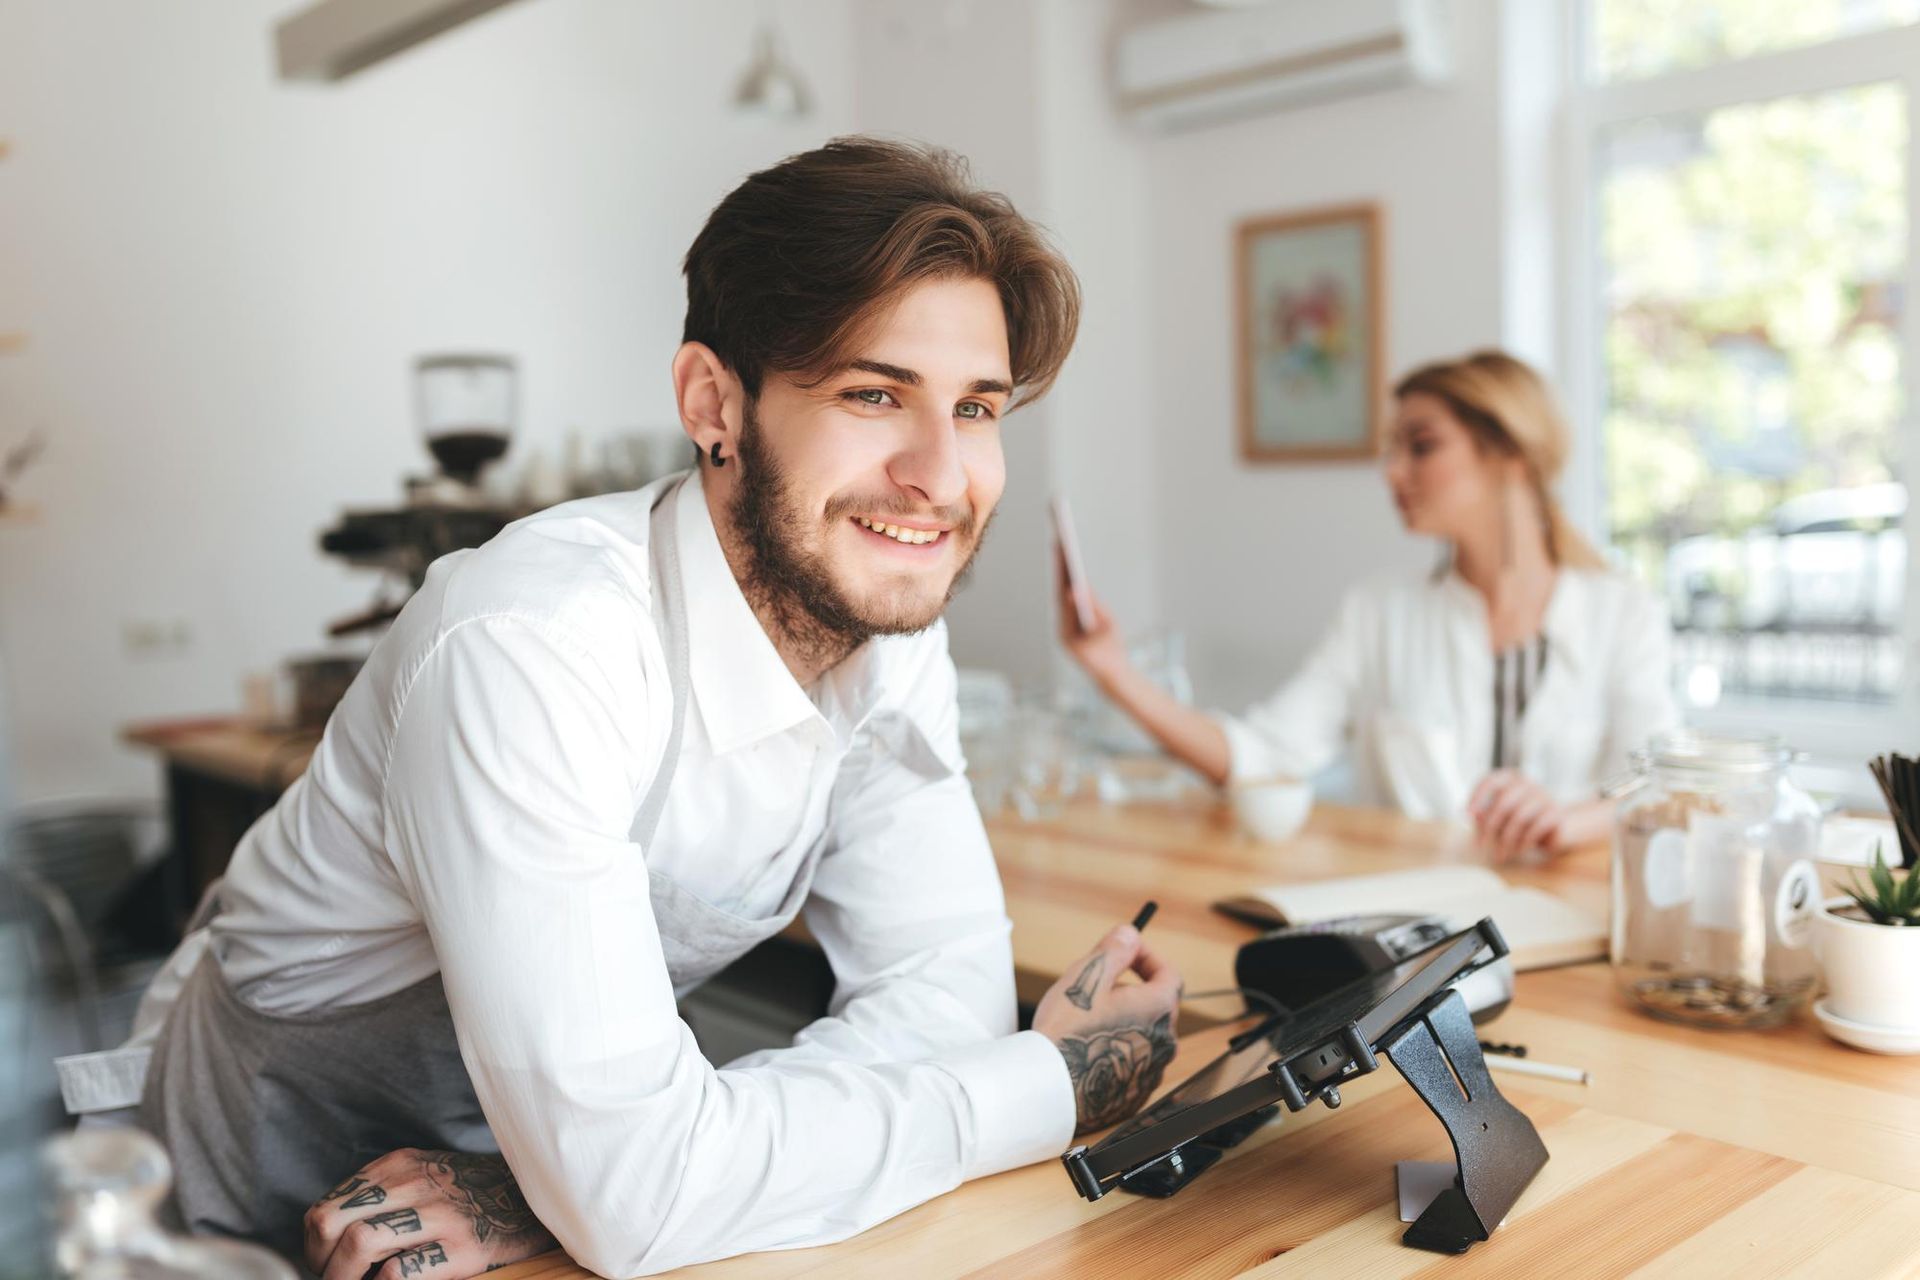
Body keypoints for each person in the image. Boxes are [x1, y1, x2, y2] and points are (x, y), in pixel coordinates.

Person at [117, 139, 1183, 1280]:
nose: (939, 472)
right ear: (713, 401)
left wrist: (605, 1173)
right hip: (222, 1222)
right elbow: (640, 1192)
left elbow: (946, 1002)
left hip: (512, 1224)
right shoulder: (534, 646)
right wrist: (1046, 1083)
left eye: (976, 407)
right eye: (875, 394)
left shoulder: (880, 632)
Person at [1060, 351, 1678, 860]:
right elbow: (1263, 757)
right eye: (1392, 449)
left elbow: (1666, 787)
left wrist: (1571, 820)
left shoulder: (1623, 613)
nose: (1391, 472)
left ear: (1509, 455)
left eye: (1421, 446)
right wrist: (1112, 670)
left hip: (1570, 924)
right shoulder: (1379, 611)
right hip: (1419, 938)